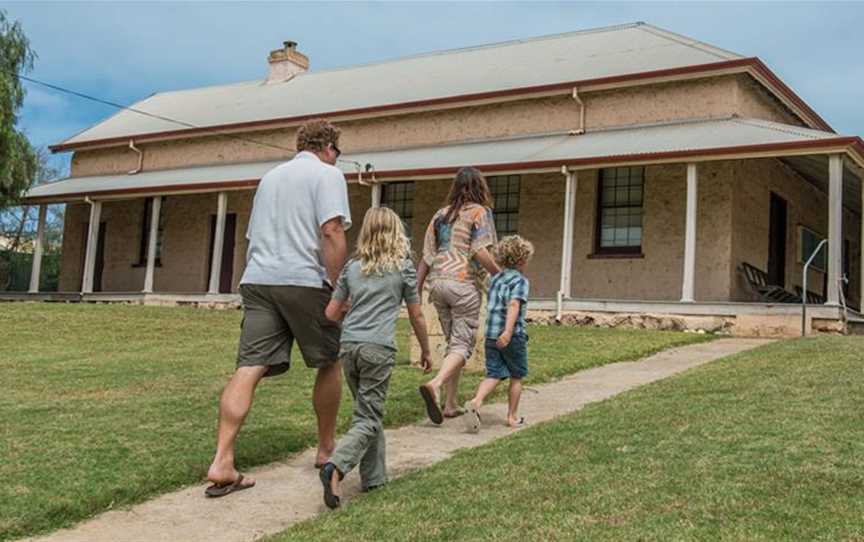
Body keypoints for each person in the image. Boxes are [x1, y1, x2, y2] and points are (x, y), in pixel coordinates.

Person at [205, 119, 350, 497]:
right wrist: (340, 288)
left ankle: (222, 460)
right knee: (328, 360)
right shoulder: (327, 175)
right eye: (338, 152)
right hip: (304, 279)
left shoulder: (270, 178)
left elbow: (253, 235)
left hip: (258, 278)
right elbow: (332, 230)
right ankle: (325, 449)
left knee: (249, 366)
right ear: (330, 148)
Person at [319, 207, 432, 509]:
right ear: (397, 233)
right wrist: (425, 348)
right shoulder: (403, 267)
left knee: (367, 412)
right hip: (378, 349)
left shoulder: (352, 268)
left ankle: (375, 478)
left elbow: (331, 312)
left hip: (349, 346)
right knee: (368, 416)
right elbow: (417, 314)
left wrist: (353, 315)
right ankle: (337, 466)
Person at [416, 166, 500, 424]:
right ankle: (436, 384)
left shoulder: (440, 216)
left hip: (438, 284)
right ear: (480, 187)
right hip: (463, 284)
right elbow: (480, 251)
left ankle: (450, 404)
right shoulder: (479, 212)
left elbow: (427, 256)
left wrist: (416, 289)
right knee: (462, 345)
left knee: (454, 343)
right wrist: (500, 275)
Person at [464, 235, 534, 433]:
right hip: (512, 335)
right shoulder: (520, 281)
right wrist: (508, 331)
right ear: (521, 260)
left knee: (494, 373)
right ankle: (512, 417)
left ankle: (476, 402)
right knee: (517, 376)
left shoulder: (495, 279)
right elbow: (513, 304)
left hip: (491, 335)